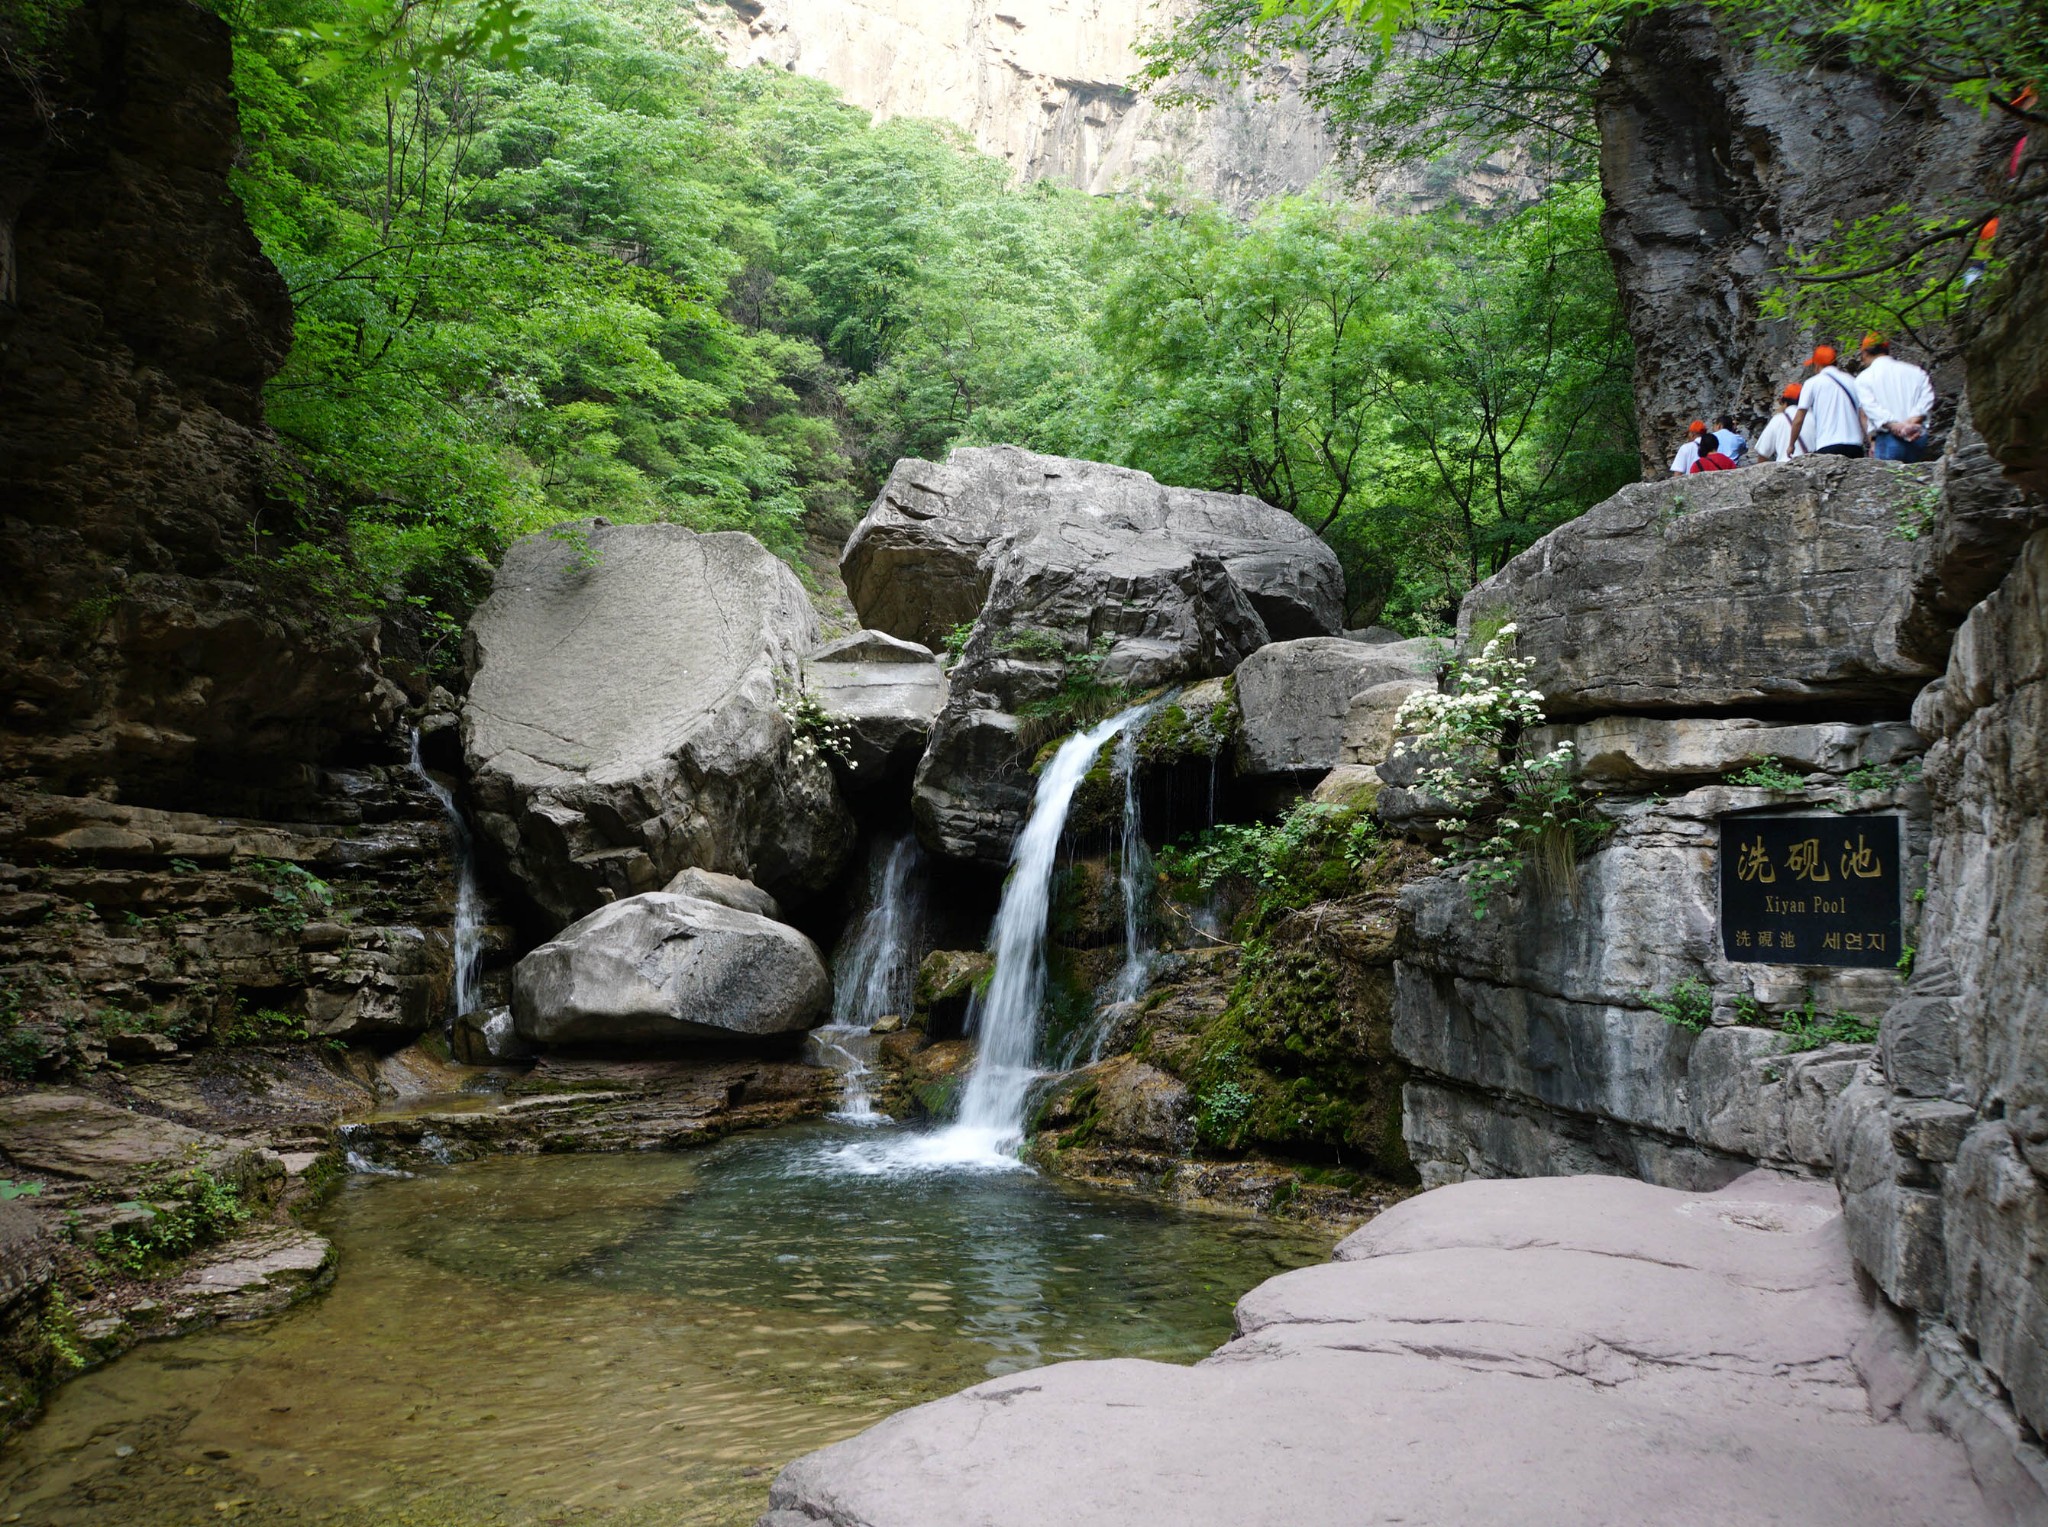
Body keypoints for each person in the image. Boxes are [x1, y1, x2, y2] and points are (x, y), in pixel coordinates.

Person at [1856, 334, 1936, 462]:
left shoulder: (1864, 378)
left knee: (1890, 479)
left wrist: (1897, 426)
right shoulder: (1916, 372)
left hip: (1889, 438)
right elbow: (1927, 398)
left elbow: (1871, 409)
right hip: (1917, 436)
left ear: (1865, 353)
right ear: (1887, 350)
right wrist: (1912, 421)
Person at [1786, 346, 1870, 458]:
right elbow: (1863, 416)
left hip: (1828, 445)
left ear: (1816, 365)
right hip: (1855, 446)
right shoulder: (1852, 381)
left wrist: (1791, 444)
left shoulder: (1812, 383)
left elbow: (1799, 419)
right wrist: (1871, 442)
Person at [1753, 383, 1813, 462]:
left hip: (1786, 467)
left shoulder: (1778, 419)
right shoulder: (1814, 417)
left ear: (1784, 403)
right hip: (1813, 465)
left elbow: (1763, 452)